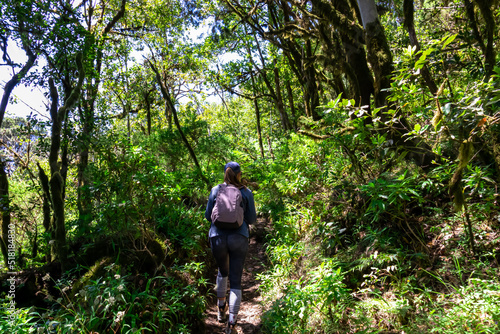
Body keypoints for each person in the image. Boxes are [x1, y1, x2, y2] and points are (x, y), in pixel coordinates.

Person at [205, 161, 257, 332]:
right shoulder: (246, 192)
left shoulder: (215, 190)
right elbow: (251, 219)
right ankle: (232, 324)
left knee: (222, 271)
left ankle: (220, 310)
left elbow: (208, 216)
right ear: (239, 174)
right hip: (239, 238)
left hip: (217, 237)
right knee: (235, 280)